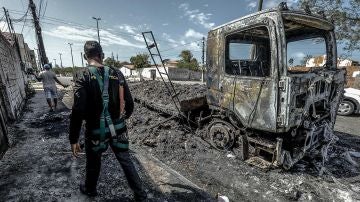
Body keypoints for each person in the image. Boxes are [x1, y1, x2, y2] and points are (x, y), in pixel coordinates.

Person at [69, 41, 147, 201]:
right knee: (125, 159)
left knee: (93, 161)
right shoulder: (117, 73)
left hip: (95, 131)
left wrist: (74, 137)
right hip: (118, 127)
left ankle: (90, 189)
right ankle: (140, 194)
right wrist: (122, 119)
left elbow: (78, 110)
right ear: (102, 55)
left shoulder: (82, 75)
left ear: (85, 57)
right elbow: (130, 104)